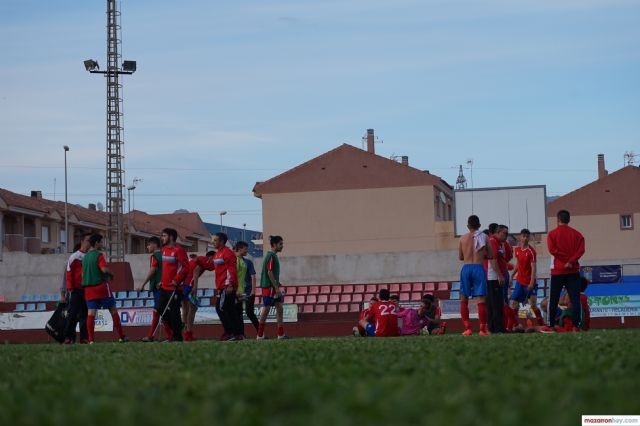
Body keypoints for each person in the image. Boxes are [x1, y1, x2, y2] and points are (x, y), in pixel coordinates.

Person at [542, 210, 585, 333]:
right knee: (575, 298)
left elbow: (552, 250)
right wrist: (571, 261)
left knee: (553, 299)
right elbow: (581, 250)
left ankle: (550, 325)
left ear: (558, 219)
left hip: (558, 271)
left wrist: (565, 260)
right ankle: (575, 326)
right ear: (569, 219)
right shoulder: (578, 235)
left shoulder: (552, 234)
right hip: (573, 270)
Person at [81, 233, 126, 343]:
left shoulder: (85, 257)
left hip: (88, 289)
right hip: (101, 287)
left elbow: (83, 275)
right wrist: (112, 274)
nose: (102, 244)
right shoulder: (98, 255)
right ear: (96, 243)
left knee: (91, 314)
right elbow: (104, 269)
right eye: (101, 242)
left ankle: (91, 340)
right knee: (113, 311)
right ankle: (121, 336)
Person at [459, 215, 492, 336]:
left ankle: (467, 329)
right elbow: (491, 255)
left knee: (464, 299)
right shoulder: (485, 237)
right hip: (478, 267)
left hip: (466, 268)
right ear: (479, 226)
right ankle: (483, 330)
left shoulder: (462, 238)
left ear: (468, 226)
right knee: (481, 300)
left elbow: (460, 257)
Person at [508, 229, 543, 331]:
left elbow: (533, 267)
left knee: (533, 305)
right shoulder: (517, 250)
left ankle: (542, 325)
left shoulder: (531, 251)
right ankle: (511, 327)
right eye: (523, 236)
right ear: (520, 237)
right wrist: (512, 275)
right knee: (514, 304)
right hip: (520, 281)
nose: (525, 238)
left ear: (529, 238)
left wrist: (532, 282)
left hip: (529, 282)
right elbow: (518, 264)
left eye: (527, 236)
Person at [158, 228, 189, 342]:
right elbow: (166, 269)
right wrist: (161, 281)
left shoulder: (179, 250)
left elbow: (185, 268)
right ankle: (177, 327)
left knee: (174, 312)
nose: (162, 238)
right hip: (164, 286)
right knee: (160, 308)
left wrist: (177, 280)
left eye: (164, 235)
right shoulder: (164, 250)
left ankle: (177, 337)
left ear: (171, 237)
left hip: (175, 287)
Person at [257, 235, 288, 340]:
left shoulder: (273, 256)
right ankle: (260, 335)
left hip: (273, 286)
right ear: (274, 245)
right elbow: (269, 272)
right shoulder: (271, 256)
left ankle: (280, 334)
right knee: (266, 309)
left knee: (279, 308)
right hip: (269, 287)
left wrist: (277, 284)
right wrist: (276, 287)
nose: (282, 246)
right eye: (280, 244)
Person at [62, 233, 92, 344]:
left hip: (87, 290)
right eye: (89, 240)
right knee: (72, 314)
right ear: (82, 241)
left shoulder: (90, 256)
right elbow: (69, 273)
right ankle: (68, 337)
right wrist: (70, 289)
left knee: (84, 315)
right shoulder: (74, 256)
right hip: (75, 290)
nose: (90, 243)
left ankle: (84, 338)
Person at [212, 232, 241, 340]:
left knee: (221, 308)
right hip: (222, 287)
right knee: (230, 310)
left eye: (215, 240)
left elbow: (231, 270)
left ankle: (230, 332)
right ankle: (237, 334)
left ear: (222, 241)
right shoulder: (217, 254)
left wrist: (230, 284)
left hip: (227, 286)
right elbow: (213, 267)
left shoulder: (227, 253)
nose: (213, 242)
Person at [484, 223, 505, 333]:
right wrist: (499, 275)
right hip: (493, 278)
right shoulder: (492, 242)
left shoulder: (499, 243)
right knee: (496, 305)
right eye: (504, 233)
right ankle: (497, 329)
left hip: (495, 277)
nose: (506, 236)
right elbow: (493, 260)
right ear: (498, 232)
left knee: (495, 304)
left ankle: (494, 328)